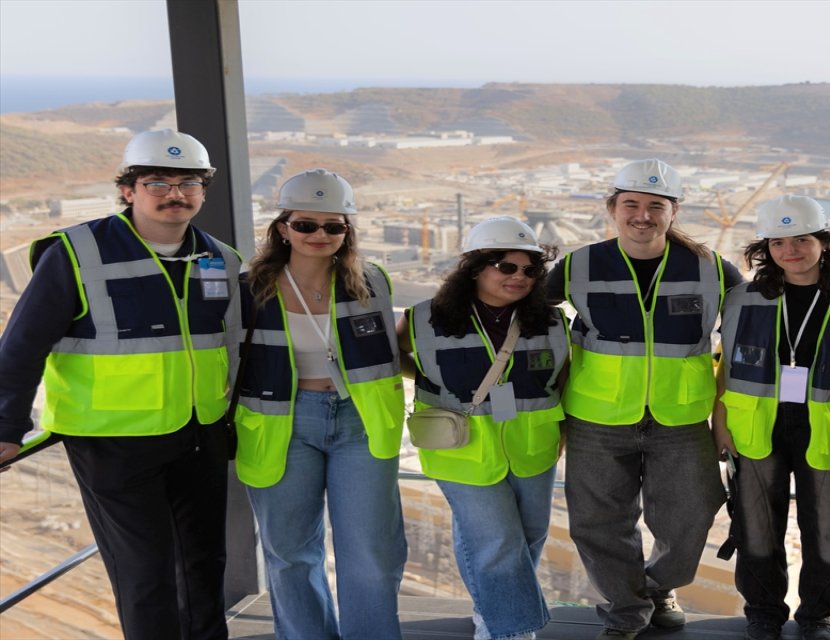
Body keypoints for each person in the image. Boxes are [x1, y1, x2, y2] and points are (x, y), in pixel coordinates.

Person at [0, 129, 240, 640]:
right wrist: (6, 425)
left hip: (198, 434)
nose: (175, 194)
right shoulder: (76, 252)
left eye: (189, 182)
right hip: (112, 442)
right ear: (128, 190)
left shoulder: (221, 258)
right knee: (145, 574)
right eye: (157, 182)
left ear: (202, 190)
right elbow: (22, 345)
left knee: (203, 564)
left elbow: (232, 347)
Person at [548, 159, 743, 639]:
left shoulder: (714, 269)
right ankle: (625, 608)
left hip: (682, 415)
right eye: (631, 204)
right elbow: (526, 320)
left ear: (673, 212)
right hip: (596, 415)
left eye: (655, 206)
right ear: (612, 209)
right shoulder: (578, 264)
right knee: (598, 521)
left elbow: (746, 345)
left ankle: (657, 587)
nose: (642, 216)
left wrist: (725, 416)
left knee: (693, 511)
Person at [234, 169, 406, 640]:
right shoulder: (247, 289)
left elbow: (394, 351)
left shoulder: (371, 281)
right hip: (281, 425)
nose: (320, 235)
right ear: (283, 227)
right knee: (290, 550)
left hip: (360, 422)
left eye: (334, 226)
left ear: (347, 231)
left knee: (372, 551)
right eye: (306, 224)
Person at [711, 196, 830, 640]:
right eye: (778, 241)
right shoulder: (741, 298)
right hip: (756, 426)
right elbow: (726, 365)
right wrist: (721, 420)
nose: (790, 250)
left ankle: (818, 616)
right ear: (766, 248)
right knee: (756, 527)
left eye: (802, 239)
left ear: (825, 243)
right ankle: (764, 612)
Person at [397, 216, 568, 640]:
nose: (520, 277)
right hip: (461, 447)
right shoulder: (425, 318)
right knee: (496, 541)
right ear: (476, 267)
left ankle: (489, 610)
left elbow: (564, 378)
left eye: (529, 270)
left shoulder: (552, 321)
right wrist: (426, 380)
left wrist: (564, 434)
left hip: (532, 444)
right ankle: (507, 631)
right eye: (506, 267)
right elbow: (394, 355)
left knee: (528, 537)